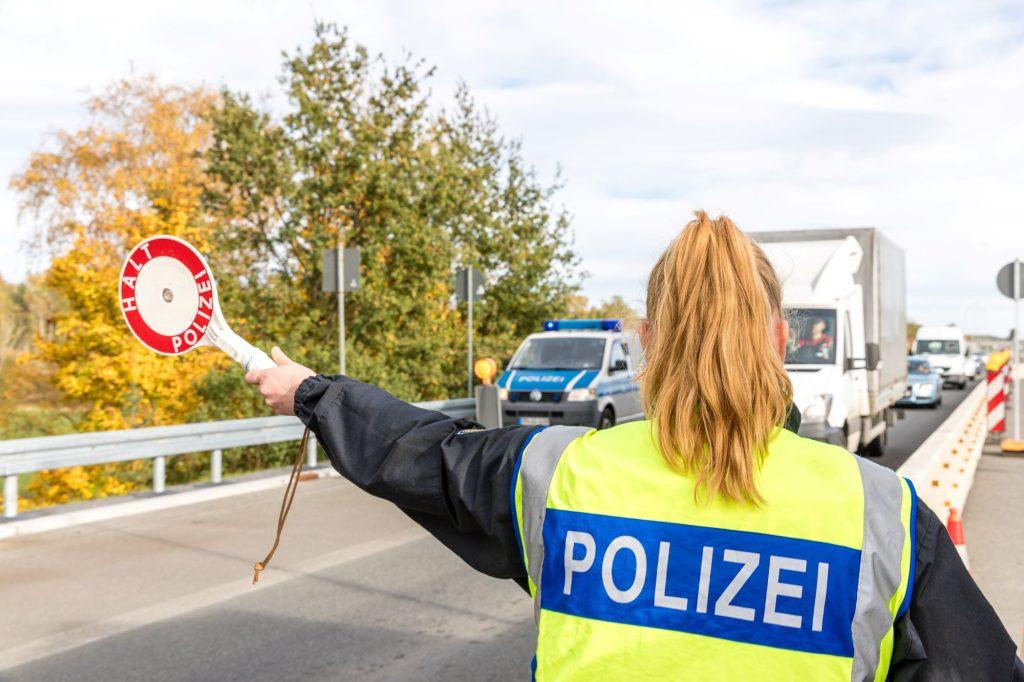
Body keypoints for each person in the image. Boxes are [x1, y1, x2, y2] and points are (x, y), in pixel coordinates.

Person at [246, 212, 1022, 680]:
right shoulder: (882, 514)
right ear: (781, 339)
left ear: (649, 340)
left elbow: (421, 453)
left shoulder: (557, 475)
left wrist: (312, 392)